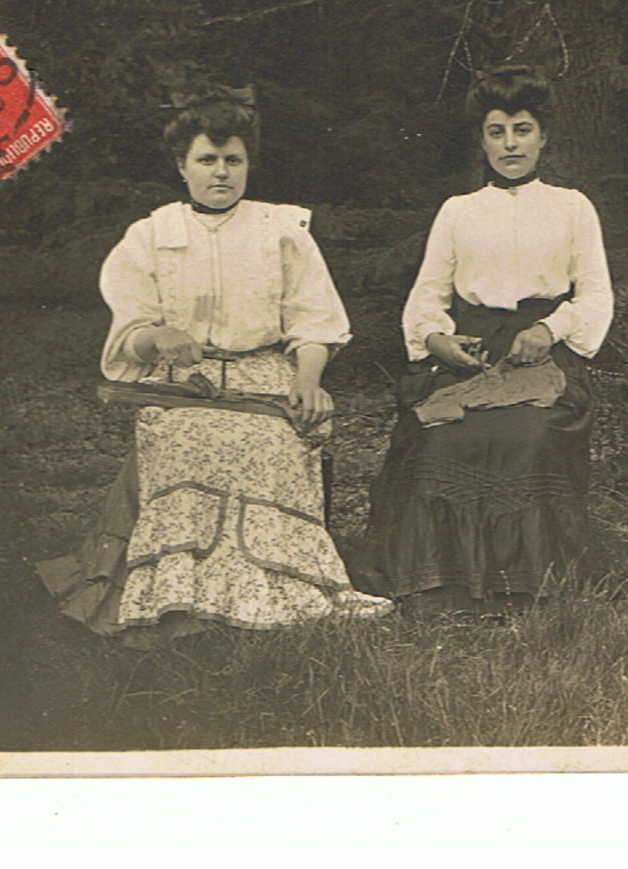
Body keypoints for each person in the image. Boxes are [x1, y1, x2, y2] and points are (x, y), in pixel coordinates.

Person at [38, 87, 392, 642]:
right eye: (207, 160)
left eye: (233, 160)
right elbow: (129, 336)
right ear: (182, 166)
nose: (221, 173)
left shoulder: (281, 230)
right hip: (183, 383)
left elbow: (314, 320)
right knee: (186, 441)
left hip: (264, 375)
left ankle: (274, 588)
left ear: (249, 165)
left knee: (270, 444)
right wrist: (158, 337)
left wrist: (307, 379)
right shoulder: (150, 236)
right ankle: (186, 591)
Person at [355, 66, 614, 614]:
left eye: (522, 129)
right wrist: (436, 339)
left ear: (543, 136)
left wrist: (549, 329)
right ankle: (440, 584)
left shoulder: (572, 206)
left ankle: (523, 585)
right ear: (483, 139)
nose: (510, 144)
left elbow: (595, 297)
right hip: (470, 358)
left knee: (529, 436)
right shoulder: (458, 211)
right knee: (440, 438)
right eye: (497, 131)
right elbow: (427, 295)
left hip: (546, 357)